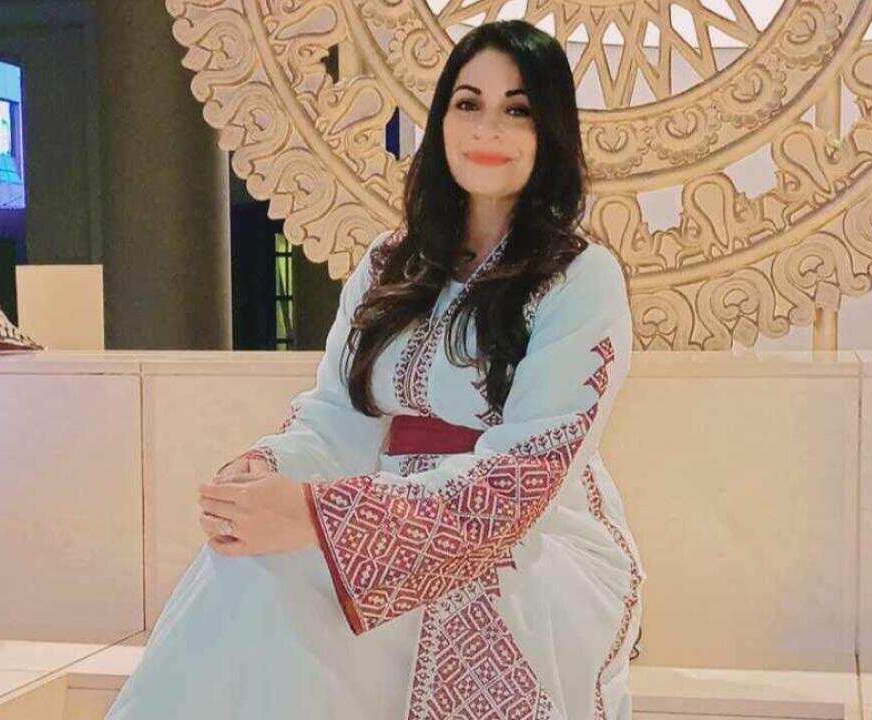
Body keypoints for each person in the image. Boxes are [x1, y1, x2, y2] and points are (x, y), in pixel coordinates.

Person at [106, 19, 643, 720]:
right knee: (247, 572)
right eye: (468, 103)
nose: (488, 128)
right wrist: (267, 473)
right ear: (441, 119)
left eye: (517, 110)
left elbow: (522, 481)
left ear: (552, 133)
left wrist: (321, 517)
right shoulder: (390, 263)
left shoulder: (581, 277)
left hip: (526, 545)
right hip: (374, 508)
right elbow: (338, 417)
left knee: (323, 604)